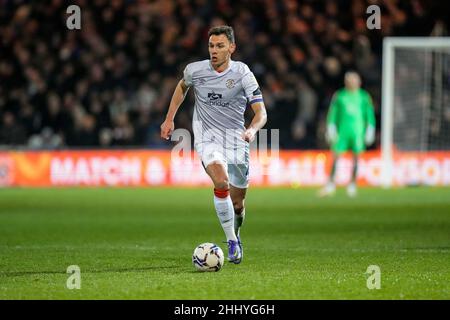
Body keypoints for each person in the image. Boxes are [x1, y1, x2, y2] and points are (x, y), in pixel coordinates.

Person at [160, 26, 267, 264]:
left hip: (237, 141)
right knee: (221, 182)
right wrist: (169, 118)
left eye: (220, 46)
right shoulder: (195, 70)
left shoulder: (243, 73)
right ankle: (231, 241)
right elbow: (182, 87)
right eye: (211, 46)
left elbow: (261, 113)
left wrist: (251, 129)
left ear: (232, 48)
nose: (214, 51)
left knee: (238, 204)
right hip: (207, 138)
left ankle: (236, 232)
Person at [319, 71, 376, 197]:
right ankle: (331, 184)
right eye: (349, 80)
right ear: (346, 82)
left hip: (358, 133)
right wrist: (331, 127)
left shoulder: (364, 96)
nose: (352, 82)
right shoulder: (340, 96)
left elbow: (369, 114)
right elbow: (333, 113)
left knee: (356, 158)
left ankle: (352, 184)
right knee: (335, 157)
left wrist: (370, 129)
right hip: (342, 132)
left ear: (359, 81)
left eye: (354, 79)